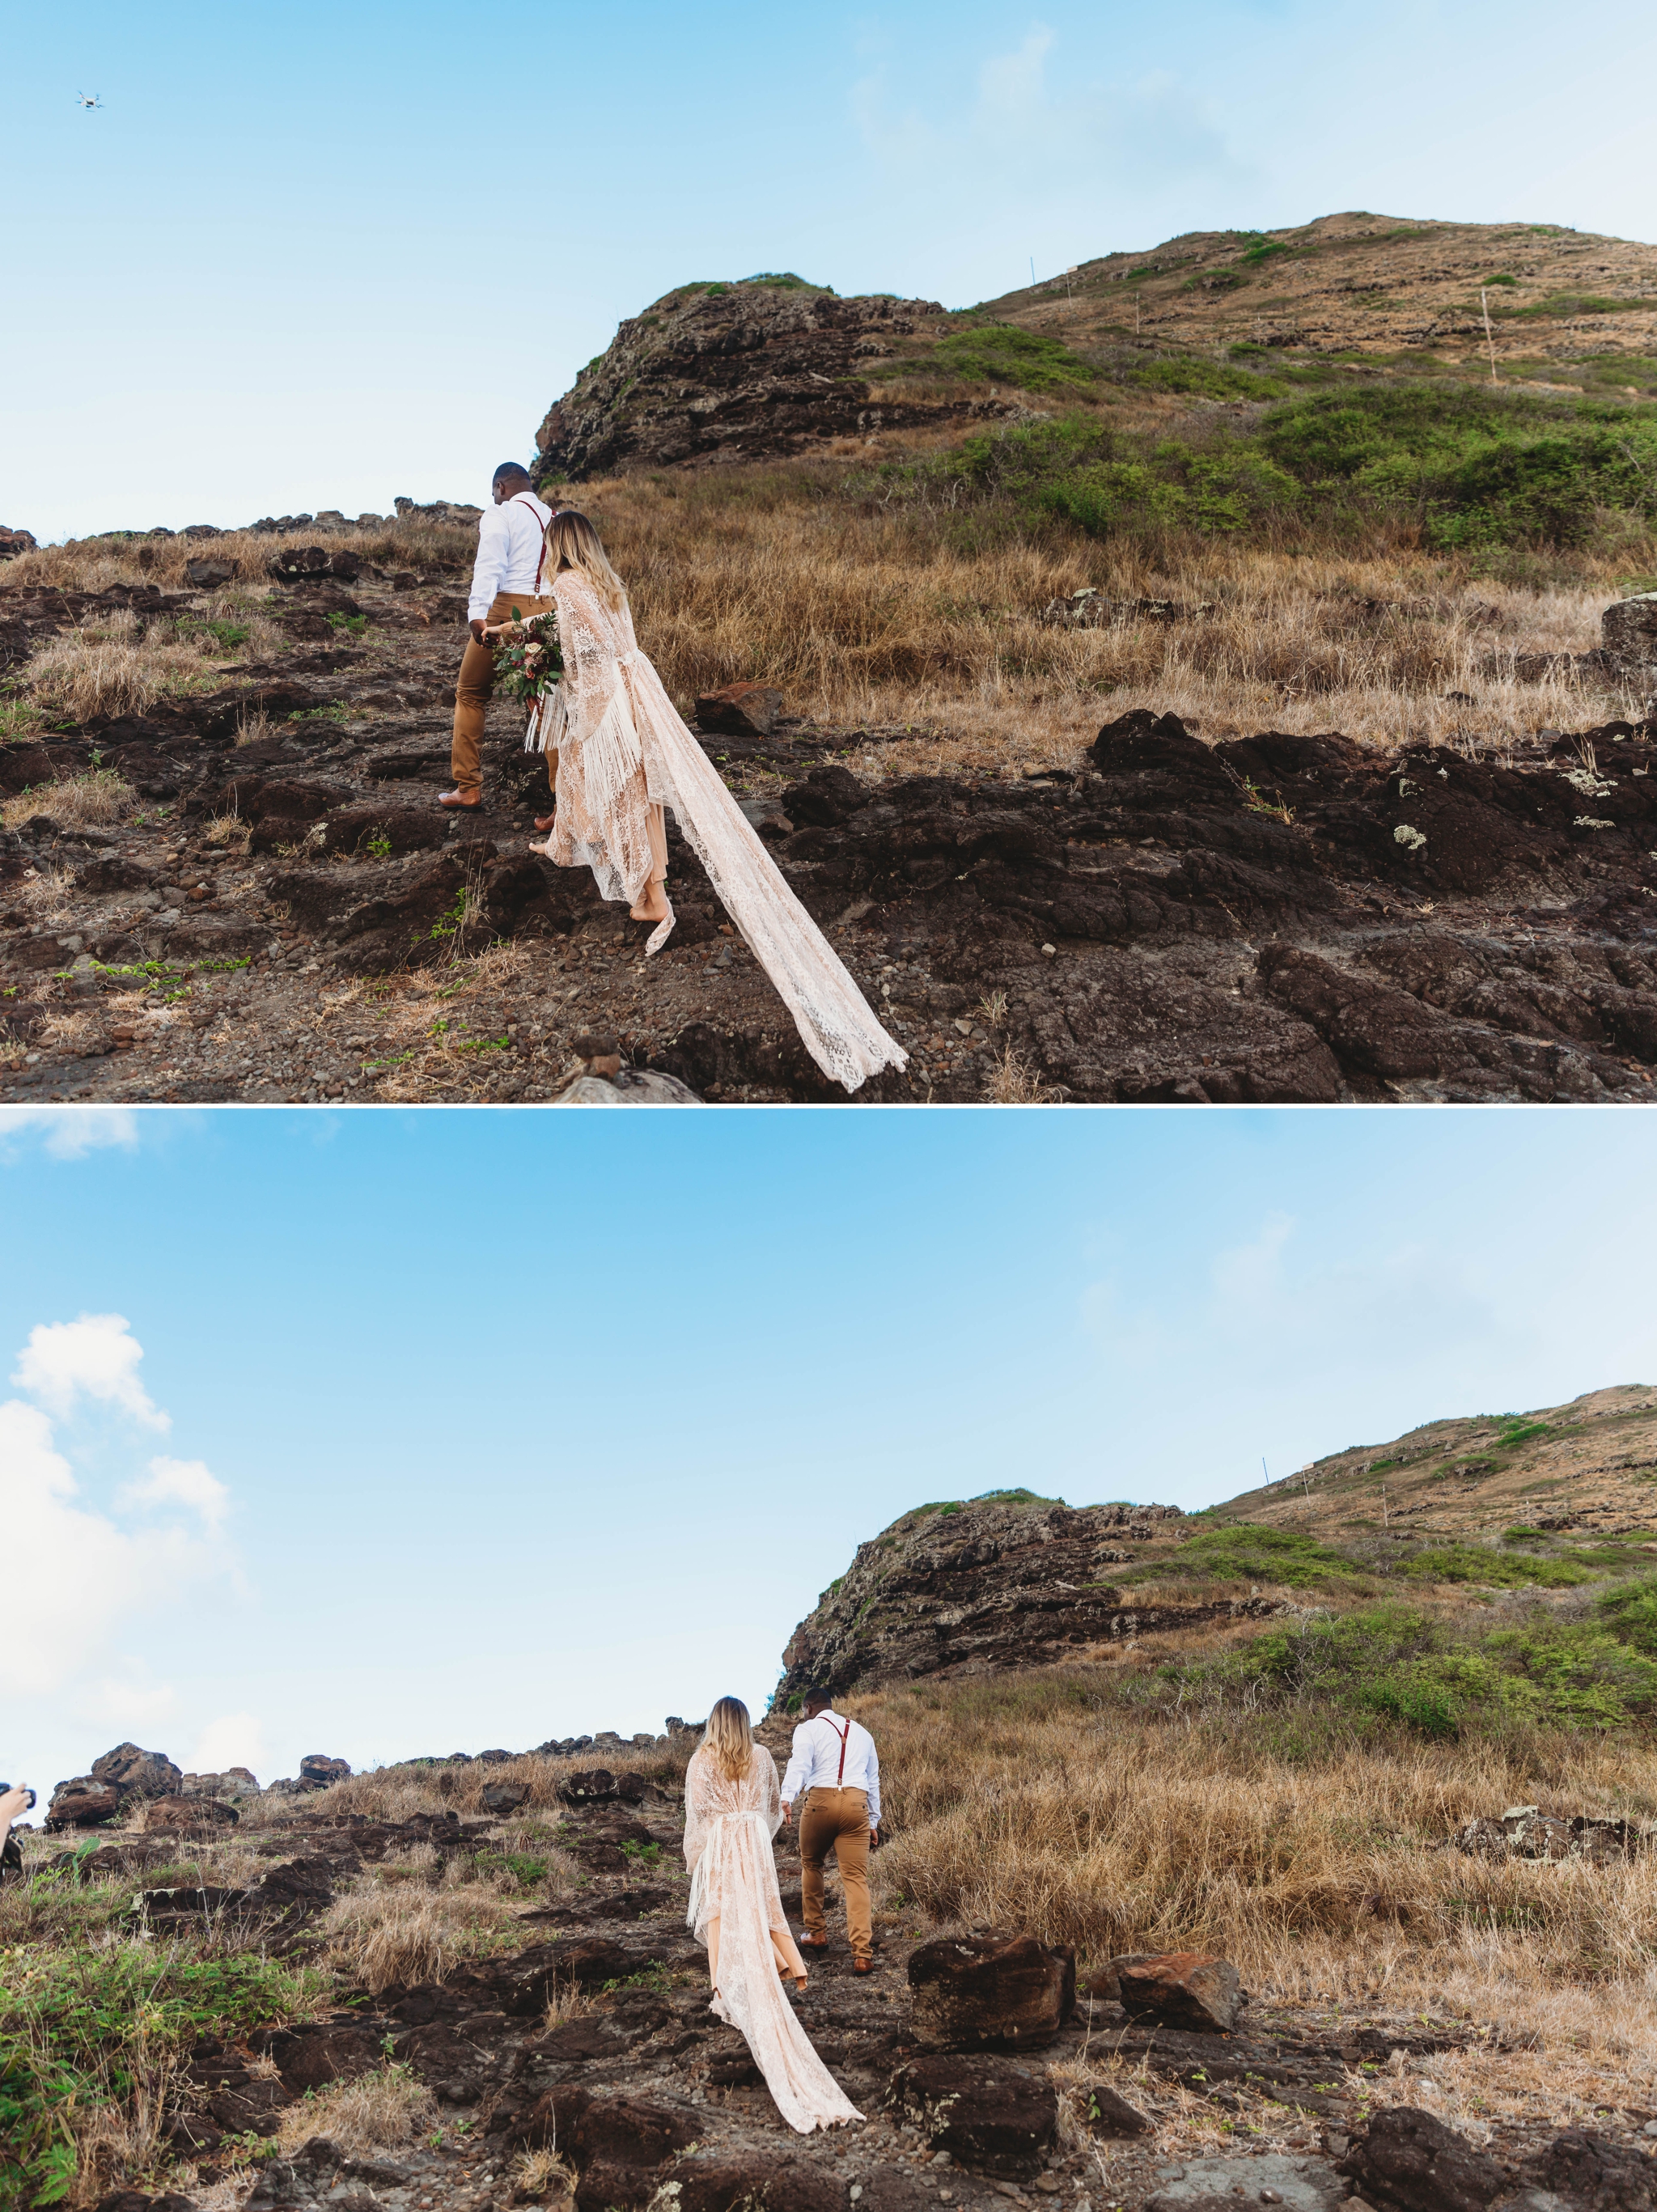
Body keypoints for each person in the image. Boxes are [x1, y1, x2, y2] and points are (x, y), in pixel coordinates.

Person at [485, 510, 909, 1094]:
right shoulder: (608, 584)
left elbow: (586, 642)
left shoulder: (567, 584)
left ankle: (652, 897)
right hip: (636, 694)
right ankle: (638, 883)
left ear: (559, 545)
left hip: (609, 704)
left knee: (621, 799)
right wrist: (522, 636)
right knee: (636, 798)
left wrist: (532, 648)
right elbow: (587, 633)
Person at [682, 1697, 862, 2134]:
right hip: (753, 1839)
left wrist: (703, 1852)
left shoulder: (701, 1759)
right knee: (761, 1907)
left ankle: (723, 1985)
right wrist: (754, 1830)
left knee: (723, 1910)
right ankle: (773, 1963)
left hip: (724, 1840)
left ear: (714, 1723)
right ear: (744, 1722)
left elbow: (699, 1811)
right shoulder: (762, 1755)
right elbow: (768, 1805)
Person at [439, 464, 556, 813]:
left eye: (494, 491)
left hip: (506, 608)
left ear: (502, 487)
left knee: (471, 693)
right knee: (549, 705)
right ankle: (562, 805)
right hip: (549, 610)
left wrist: (478, 614)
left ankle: (468, 788)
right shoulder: (557, 517)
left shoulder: (500, 513)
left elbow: (489, 563)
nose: (494, 497)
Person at [781, 1689, 880, 1974]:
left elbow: (799, 1764)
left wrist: (787, 1797)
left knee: (812, 1864)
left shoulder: (808, 1728)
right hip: (856, 1804)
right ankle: (862, 1954)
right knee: (856, 1879)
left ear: (809, 1707)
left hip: (820, 1803)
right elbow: (872, 1781)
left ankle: (817, 1932)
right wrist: (873, 1821)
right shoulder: (863, 1733)